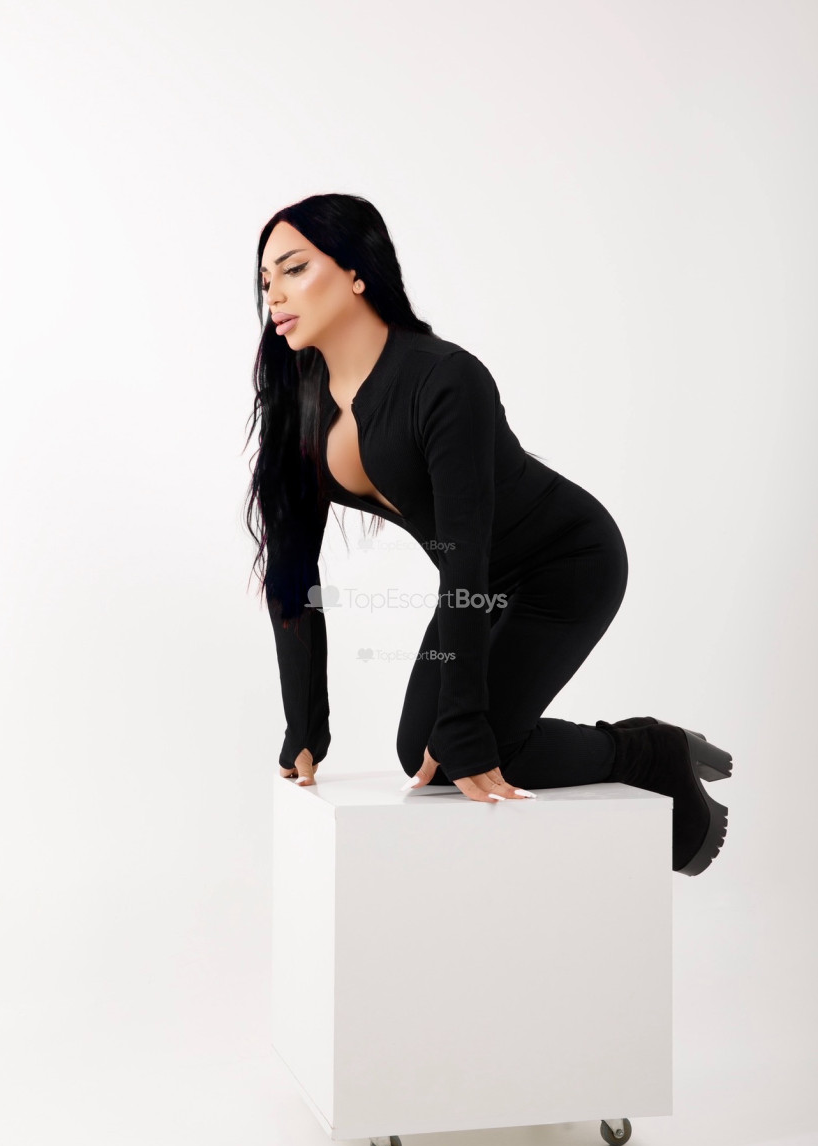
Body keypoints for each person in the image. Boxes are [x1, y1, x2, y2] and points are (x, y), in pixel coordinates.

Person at [243, 193, 731, 877]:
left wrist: (467, 720)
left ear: (356, 271)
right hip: (480, 580)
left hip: (566, 564)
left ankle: (648, 752)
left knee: (471, 744)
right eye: (266, 279)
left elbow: (462, 548)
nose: (274, 294)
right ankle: (640, 746)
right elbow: (293, 573)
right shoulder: (301, 402)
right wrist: (304, 723)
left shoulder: (444, 377)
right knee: (422, 753)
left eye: (294, 269)